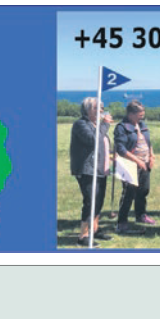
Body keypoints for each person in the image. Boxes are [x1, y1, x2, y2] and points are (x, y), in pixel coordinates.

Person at [68, 98, 112, 244]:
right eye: (96, 108)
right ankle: (83, 236)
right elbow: (93, 140)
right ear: (87, 110)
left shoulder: (96, 125)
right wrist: (105, 124)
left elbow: (102, 143)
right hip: (88, 170)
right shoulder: (81, 124)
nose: (101, 110)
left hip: (101, 169)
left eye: (102, 107)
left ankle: (95, 229)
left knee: (99, 201)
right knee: (90, 201)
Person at [113, 100, 156, 234]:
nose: (142, 116)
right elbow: (120, 148)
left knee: (143, 190)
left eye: (143, 114)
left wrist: (151, 156)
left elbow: (148, 142)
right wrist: (137, 161)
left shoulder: (142, 125)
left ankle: (141, 215)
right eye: (139, 114)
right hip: (129, 164)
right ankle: (122, 222)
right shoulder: (121, 127)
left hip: (144, 163)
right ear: (131, 114)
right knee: (128, 193)